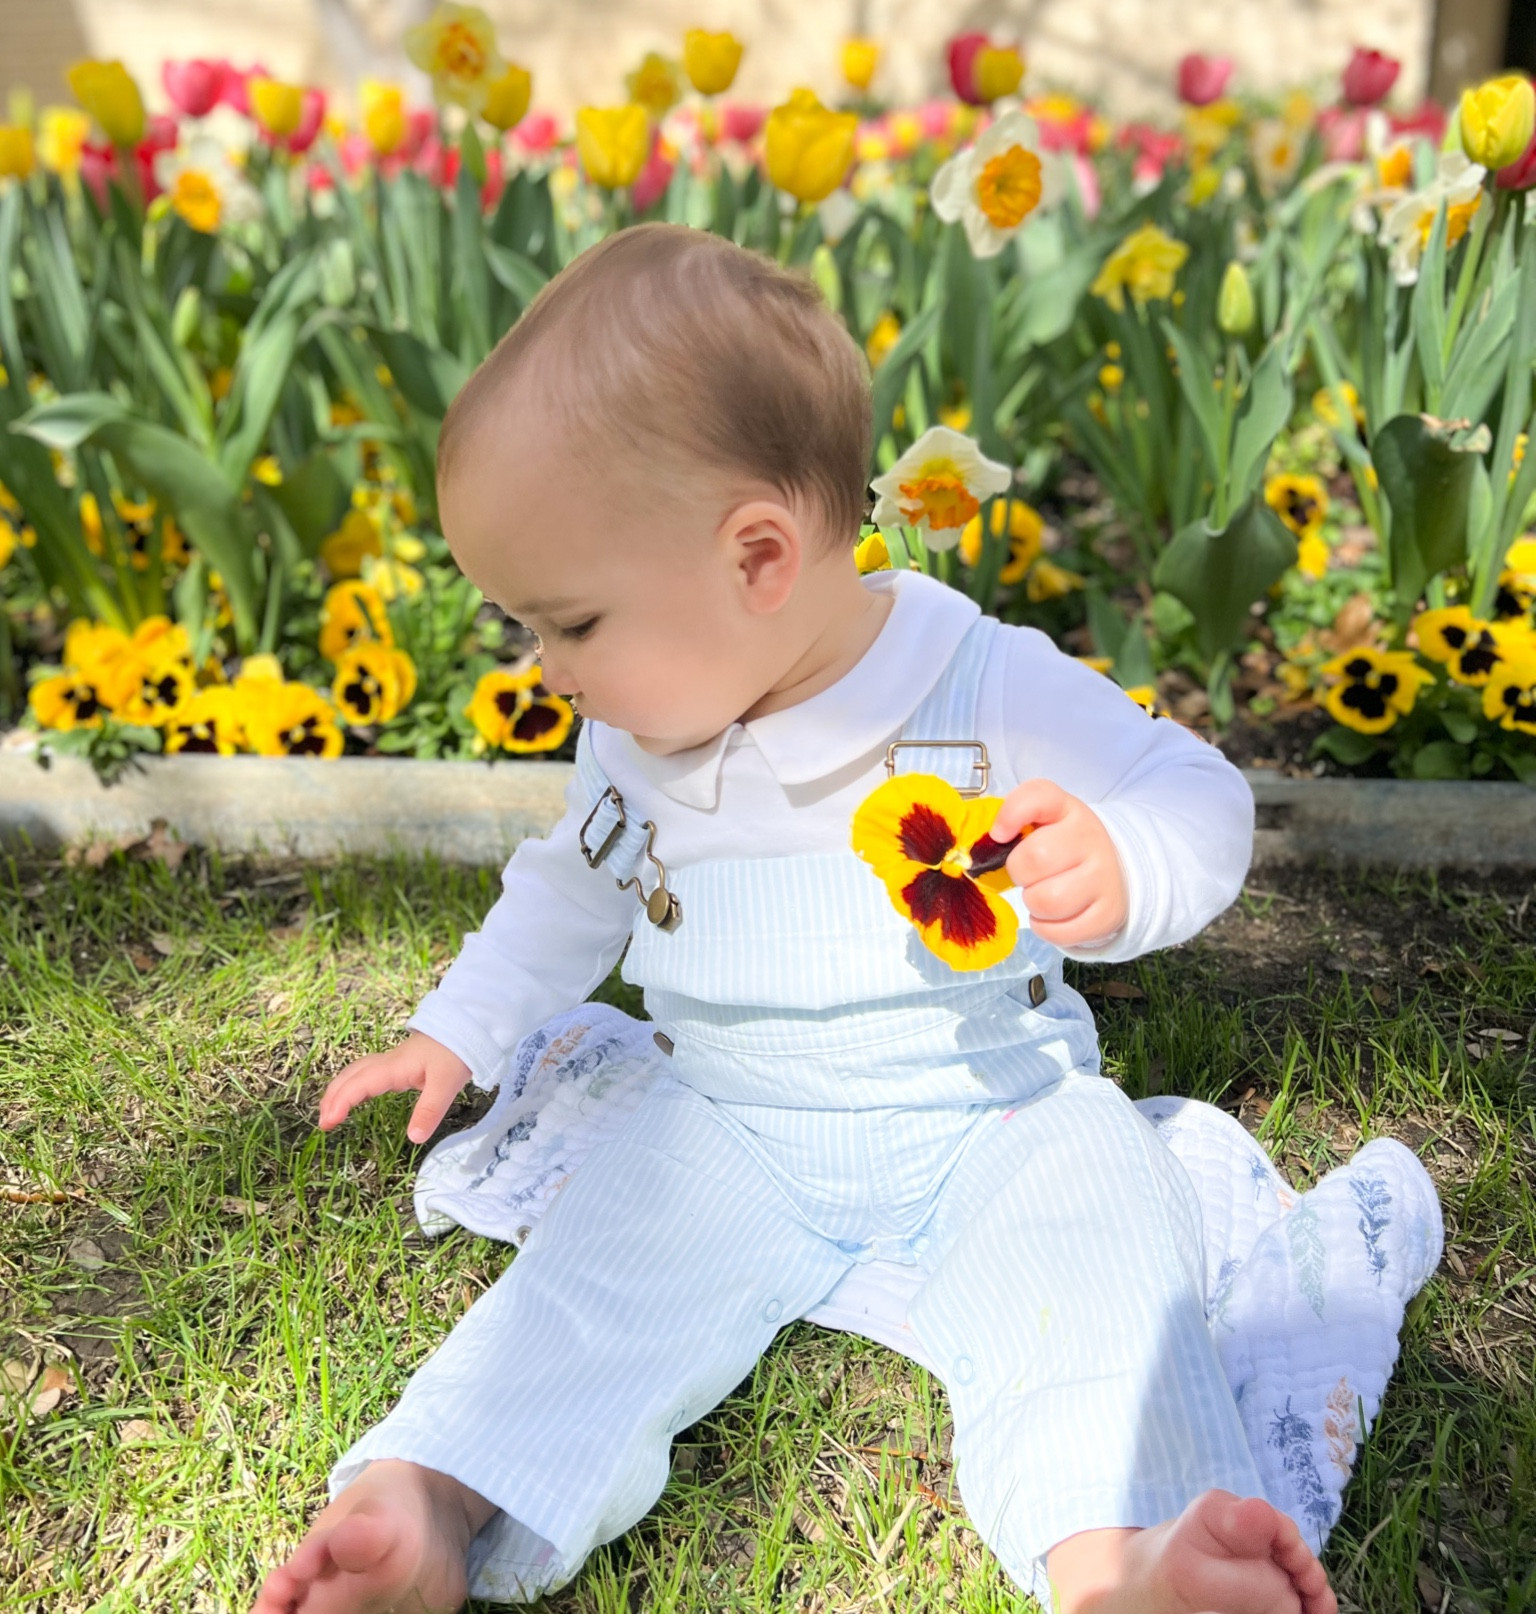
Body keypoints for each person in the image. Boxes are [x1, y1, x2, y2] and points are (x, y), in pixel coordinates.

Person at [252, 222, 1342, 1614]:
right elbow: (571, 889)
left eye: (570, 624)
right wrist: (455, 1028)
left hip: (993, 1116)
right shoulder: (639, 738)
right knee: (590, 1289)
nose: (548, 671)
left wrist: (1124, 861)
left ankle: (1124, 1560)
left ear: (758, 555)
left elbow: (1193, 796)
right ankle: (430, 1495)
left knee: (1100, 1271)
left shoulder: (981, 684)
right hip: (732, 1122)